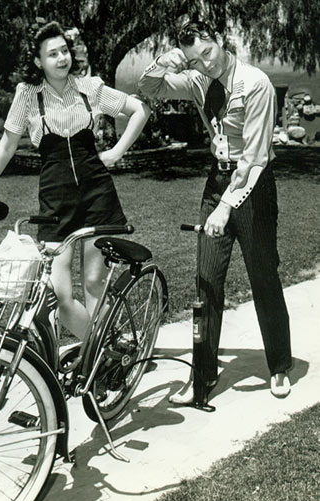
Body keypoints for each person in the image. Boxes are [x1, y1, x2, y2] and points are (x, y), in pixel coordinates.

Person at [0, 20, 150, 341]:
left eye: (64, 51)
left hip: (98, 194)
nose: (61, 59)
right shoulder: (28, 96)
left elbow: (140, 110)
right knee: (60, 294)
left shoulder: (90, 88)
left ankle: (101, 363)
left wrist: (115, 152)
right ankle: (105, 348)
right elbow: (6, 146)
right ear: (38, 61)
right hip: (55, 200)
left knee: (93, 282)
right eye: (52, 54)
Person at [138, 20, 292, 401]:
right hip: (218, 181)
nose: (204, 64)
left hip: (253, 187)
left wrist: (225, 208)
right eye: (195, 59)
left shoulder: (255, 84)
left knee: (263, 278)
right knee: (206, 282)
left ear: (221, 41)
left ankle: (279, 366)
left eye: (207, 53)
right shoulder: (198, 81)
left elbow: (254, 160)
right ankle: (203, 377)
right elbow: (149, 88)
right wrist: (165, 61)